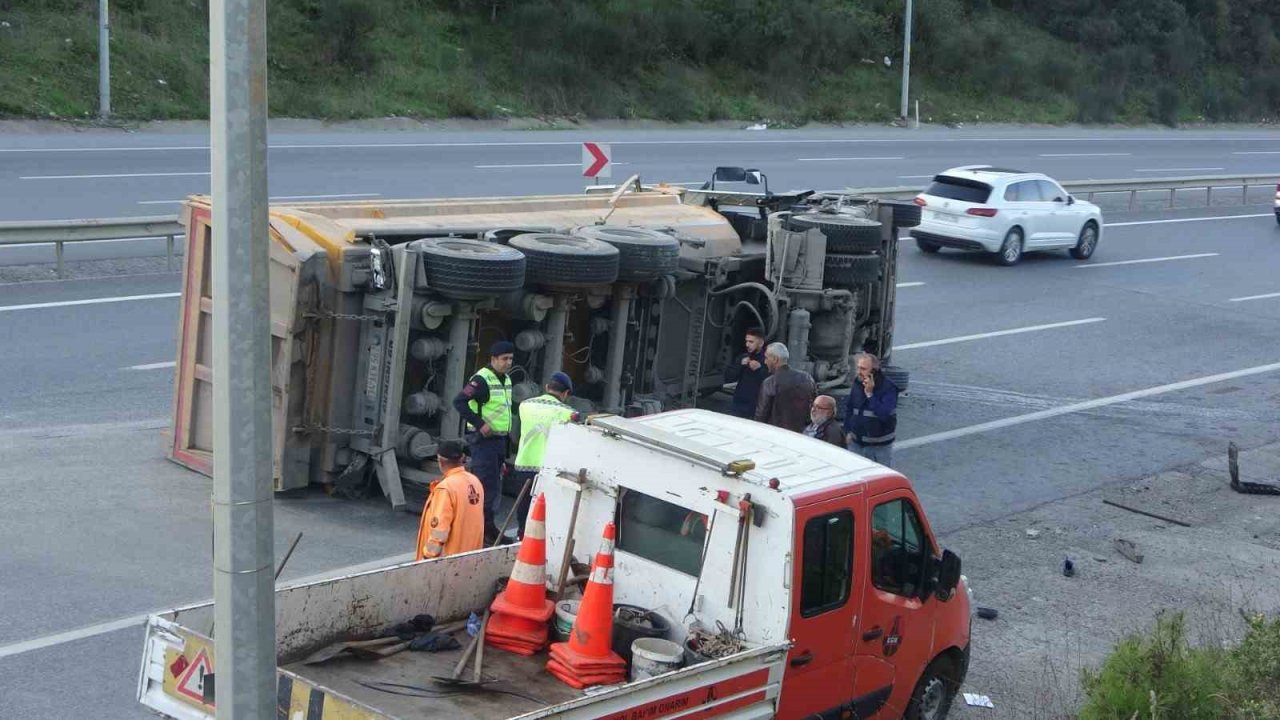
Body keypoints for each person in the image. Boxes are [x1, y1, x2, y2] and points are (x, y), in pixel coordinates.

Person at [452, 340, 515, 543]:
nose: (508, 363)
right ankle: (482, 532)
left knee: (494, 486)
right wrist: (480, 424)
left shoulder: (505, 380)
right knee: (485, 487)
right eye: (504, 359)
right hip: (484, 442)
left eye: (511, 359)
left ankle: (487, 528)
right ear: (493, 359)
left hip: (498, 441)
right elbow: (459, 402)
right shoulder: (481, 380)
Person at [511, 371, 580, 538]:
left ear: (547, 387)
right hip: (550, 470)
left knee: (524, 507)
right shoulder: (570, 413)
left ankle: (521, 538)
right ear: (566, 393)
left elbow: (515, 434)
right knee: (546, 510)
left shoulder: (525, 405)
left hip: (524, 465)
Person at [415, 440, 484, 560]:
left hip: (448, 562)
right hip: (472, 557)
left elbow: (439, 530)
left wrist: (428, 556)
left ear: (440, 461)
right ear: (461, 459)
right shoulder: (475, 481)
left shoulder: (445, 489)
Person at [844, 352, 899, 467]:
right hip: (856, 444)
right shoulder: (857, 383)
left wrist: (870, 394)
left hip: (878, 448)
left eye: (863, 369)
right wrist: (848, 431)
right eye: (858, 368)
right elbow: (850, 409)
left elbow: (883, 414)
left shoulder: (889, 388)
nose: (859, 372)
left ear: (873, 371)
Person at [754, 343, 817, 433]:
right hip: (802, 435)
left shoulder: (770, 383)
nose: (765, 362)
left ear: (775, 359)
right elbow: (815, 408)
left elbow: (761, 414)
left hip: (776, 436)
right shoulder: (807, 378)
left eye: (767, 358)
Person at [723, 327, 769, 418]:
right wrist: (740, 365)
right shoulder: (743, 357)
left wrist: (760, 369)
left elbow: (771, 381)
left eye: (751, 342)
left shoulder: (767, 360)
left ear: (761, 343)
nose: (747, 344)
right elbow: (728, 377)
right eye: (746, 341)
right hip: (738, 405)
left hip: (756, 407)